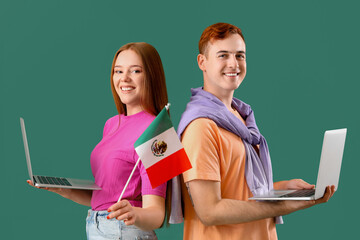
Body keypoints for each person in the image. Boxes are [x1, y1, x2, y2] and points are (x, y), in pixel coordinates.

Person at [177, 23, 335, 240]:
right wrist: (286, 205)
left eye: (240, 55)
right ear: (202, 62)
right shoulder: (201, 127)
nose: (233, 64)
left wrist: (284, 189)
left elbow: (240, 190)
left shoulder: (241, 118)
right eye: (223, 55)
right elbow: (209, 211)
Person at [27, 42, 169, 240]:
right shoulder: (112, 124)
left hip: (126, 232)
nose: (124, 79)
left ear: (151, 76)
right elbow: (103, 198)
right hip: (97, 226)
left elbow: (157, 214)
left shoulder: (159, 133)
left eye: (135, 71)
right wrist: (60, 188)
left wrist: (134, 213)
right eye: (118, 71)